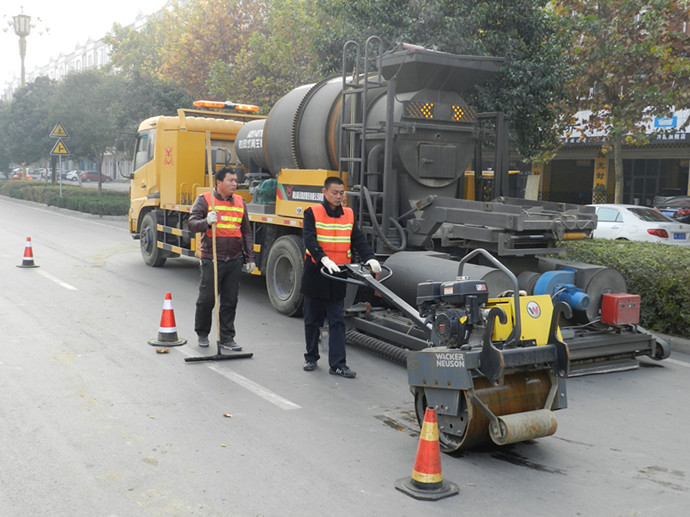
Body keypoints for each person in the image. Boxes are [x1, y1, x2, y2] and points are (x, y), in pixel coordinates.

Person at [301, 176, 381, 378]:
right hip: (316, 273)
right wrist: (322, 258)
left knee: (337, 321)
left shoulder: (348, 214)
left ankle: (338, 364)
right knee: (312, 319)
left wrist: (370, 258)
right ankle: (311, 357)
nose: (339, 196)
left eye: (341, 193)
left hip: (338, 275)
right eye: (335, 193)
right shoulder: (312, 213)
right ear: (325, 192)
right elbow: (309, 239)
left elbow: (358, 239)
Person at [189, 167, 255, 351]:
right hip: (212, 258)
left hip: (234, 259)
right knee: (207, 299)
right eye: (230, 180)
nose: (235, 184)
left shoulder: (240, 202)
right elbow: (192, 224)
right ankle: (202, 333)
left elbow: (246, 232)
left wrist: (250, 258)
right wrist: (206, 222)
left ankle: (227, 338)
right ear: (218, 182)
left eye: (235, 180)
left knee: (229, 301)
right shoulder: (205, 200)